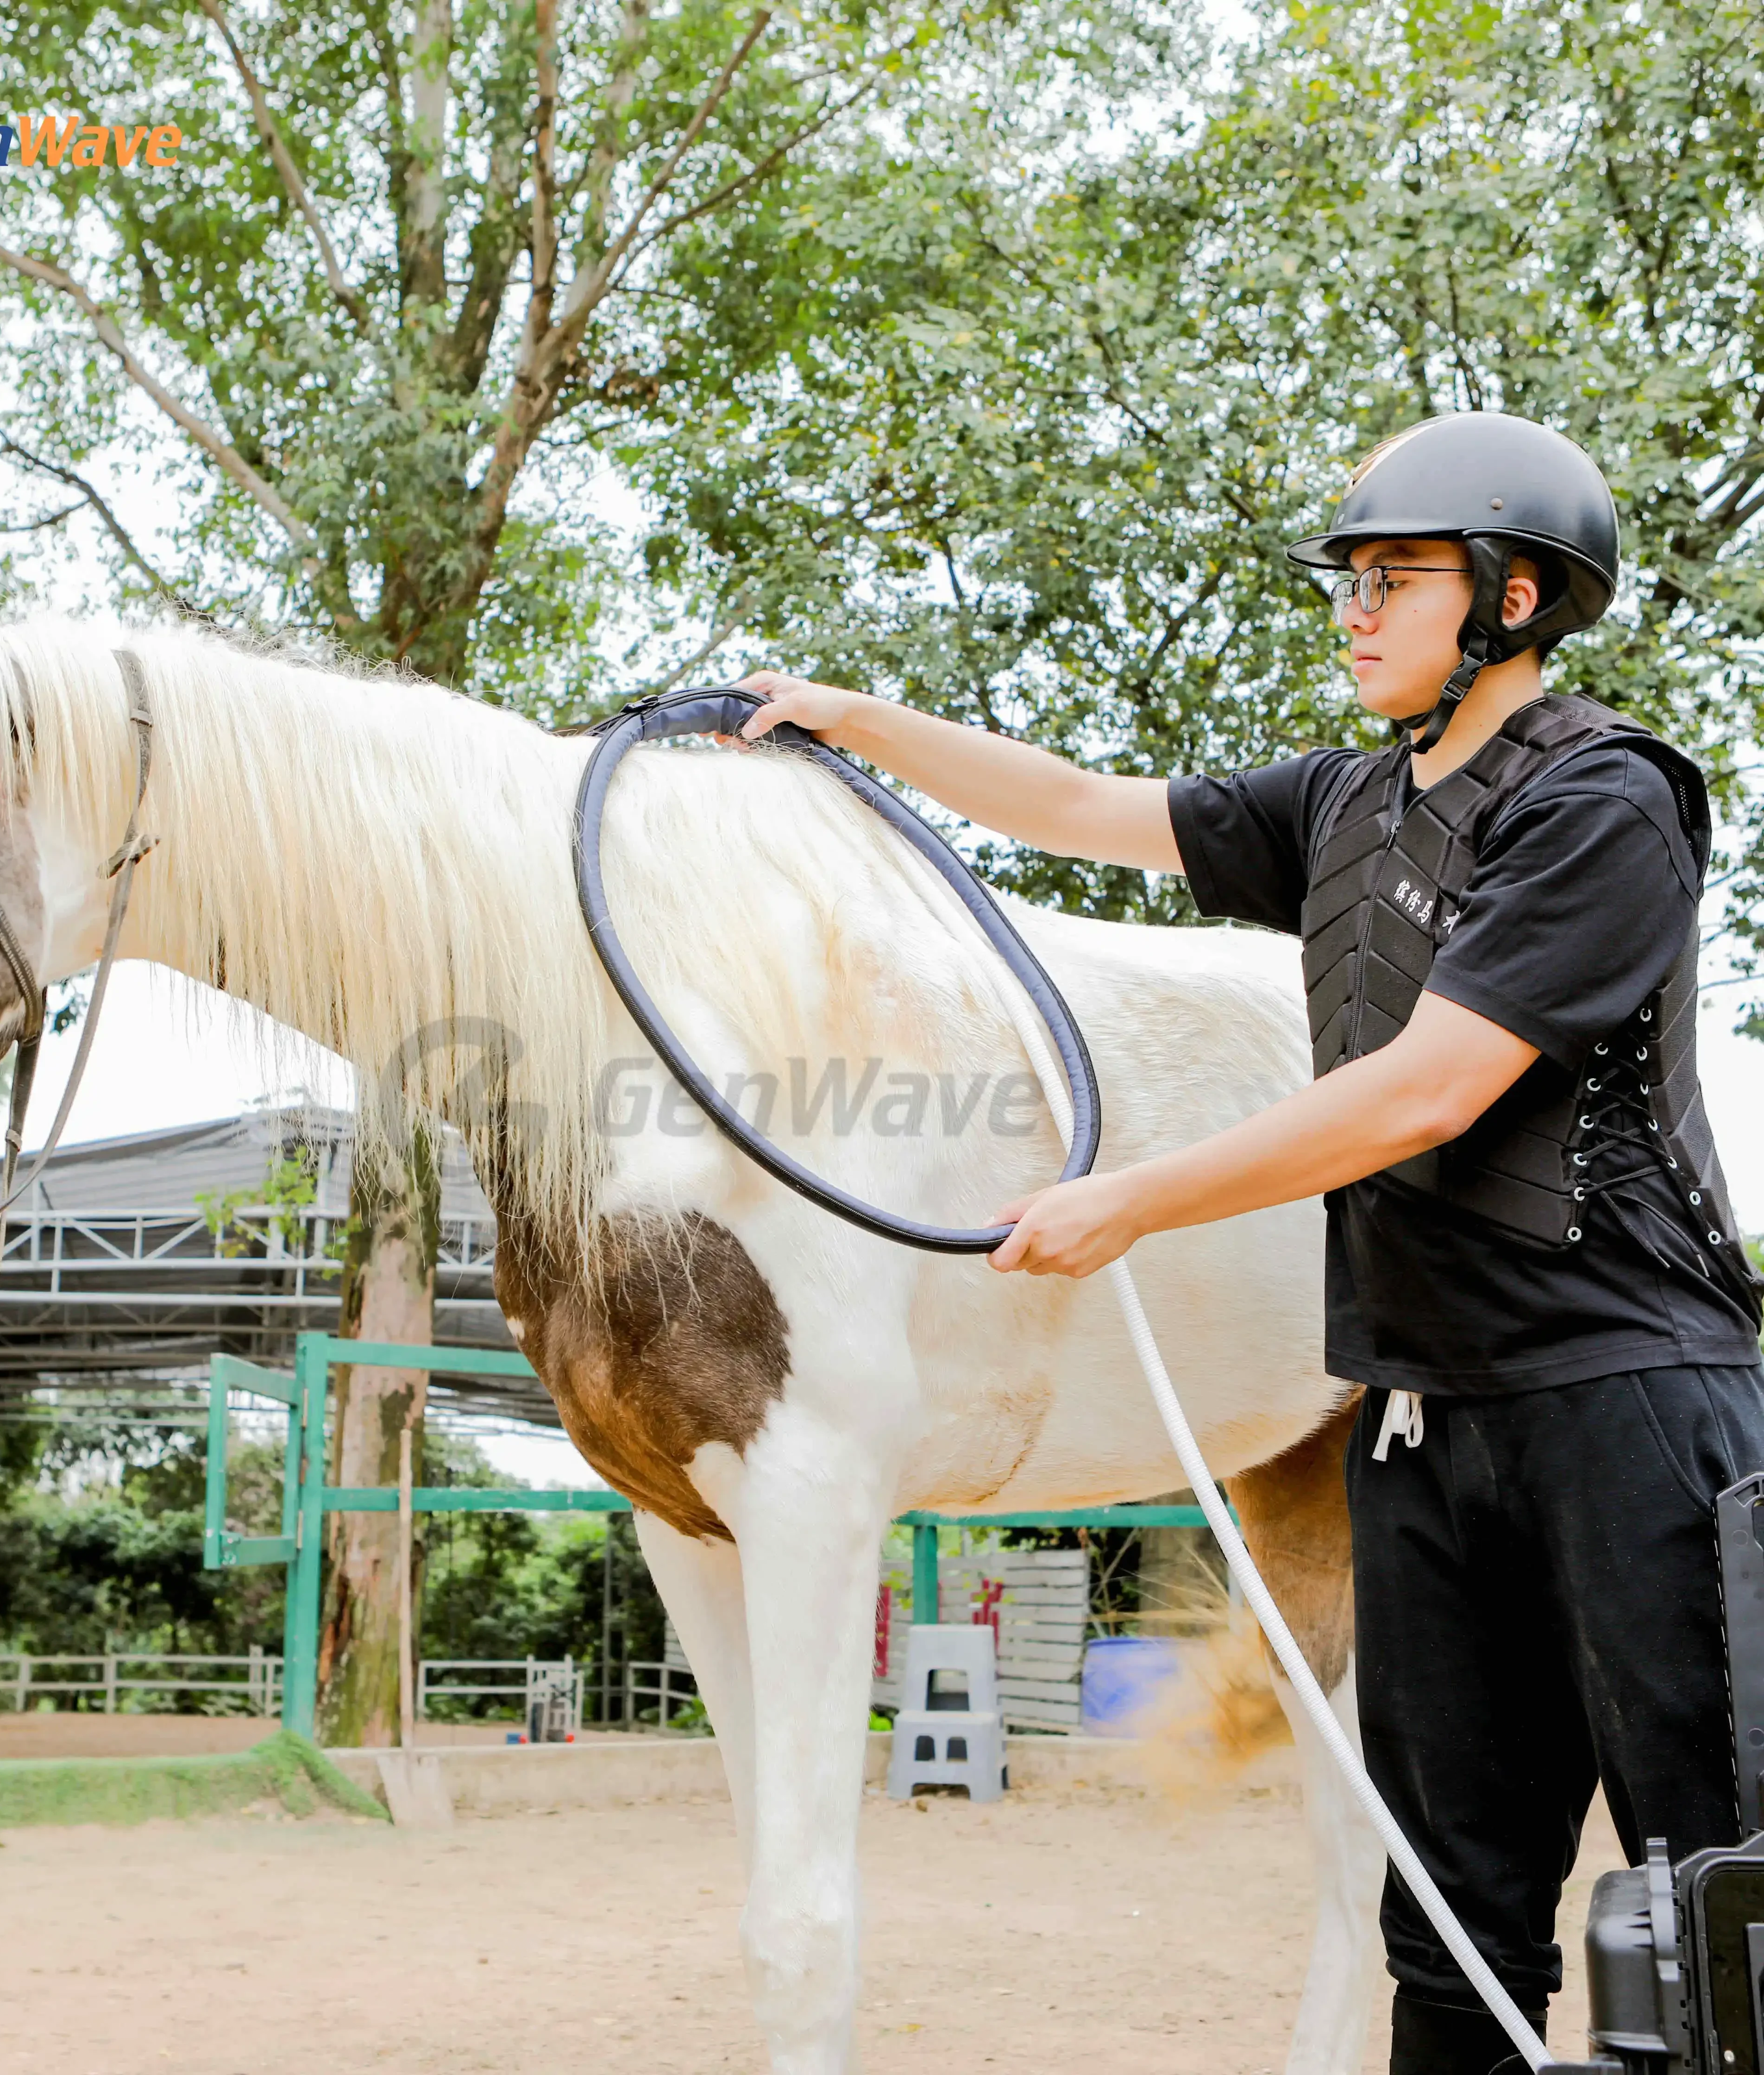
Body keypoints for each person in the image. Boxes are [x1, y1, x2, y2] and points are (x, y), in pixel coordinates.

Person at [735, 412, 1764, 2075]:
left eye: (1394, 578)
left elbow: (1425, 1090)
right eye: (1346, 581)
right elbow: (1081, 805)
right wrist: (846, 720)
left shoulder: (1607, 803)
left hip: (1629, 1401)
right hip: (1424, 1419)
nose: (1355, 610)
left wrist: (1130, 1198)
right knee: (1445, 1924)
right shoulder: (1343, 807)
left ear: (1511, 598)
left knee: (1713, 1888)